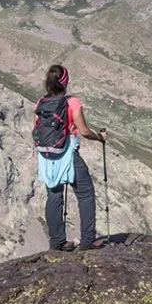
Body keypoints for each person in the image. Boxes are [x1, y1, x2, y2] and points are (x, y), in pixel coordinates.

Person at [35, 64, 107, 250]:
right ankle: (88, 240)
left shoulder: (41, 102)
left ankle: (57, 242)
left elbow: (36, 129)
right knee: (86, 193)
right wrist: (100, 138)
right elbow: (84, 131)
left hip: (47, 156)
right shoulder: (72, 102)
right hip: (68, 154)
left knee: (54, 196)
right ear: (65, 82)